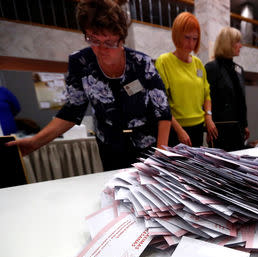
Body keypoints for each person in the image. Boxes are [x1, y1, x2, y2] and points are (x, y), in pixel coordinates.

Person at [8, 0, 171, 171]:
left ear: (121, 37)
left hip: (147, 146)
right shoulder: (80, 62)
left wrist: (159, 154)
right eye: (93, 39)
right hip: (110, 147)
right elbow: (72, 110)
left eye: (109, 42)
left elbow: (163, 110)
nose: (101, 49)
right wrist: (36, 142)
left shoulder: (141, 63)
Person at [155, 12, 214, 147]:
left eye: (195, 38)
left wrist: (208, 117)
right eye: (187, 37)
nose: (191, 43)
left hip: (198, 127)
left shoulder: (198, 64)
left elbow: (207, 94)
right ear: (177, 35)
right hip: (175, 128)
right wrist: (179, 130)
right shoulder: (164, 62)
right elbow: (161, 103)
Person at [204, 27, 249, 151]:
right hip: (219, 129)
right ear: (228, 43)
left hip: (238, 128)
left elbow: (241, 100)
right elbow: (207, 99)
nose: (241, 45)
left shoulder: (239, 69)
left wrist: (245, 124)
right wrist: (207, 125)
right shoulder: (211, 68)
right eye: (237, 42)